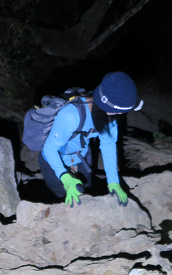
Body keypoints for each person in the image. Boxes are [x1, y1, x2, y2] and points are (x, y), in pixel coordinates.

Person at [38, 71, 143, 207]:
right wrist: (64, 177)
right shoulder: (71, 115)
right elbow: (49, 149)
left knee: (85, 193)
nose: (120, 114)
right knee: (64, 199)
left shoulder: (109, 116)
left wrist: (113, 181)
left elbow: (108, 145)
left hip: (80, 158)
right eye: (118, 111)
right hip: (53, 162)